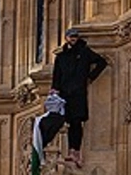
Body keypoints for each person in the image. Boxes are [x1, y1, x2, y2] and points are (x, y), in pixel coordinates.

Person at [44, 26, 108, 166]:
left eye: (75, 36)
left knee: (76, 122)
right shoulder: (61, 57)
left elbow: (102, 62)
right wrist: (54, 89)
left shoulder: (84, 52)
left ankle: (75, 152)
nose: (73, 38)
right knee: (64, 122)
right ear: (66, 38)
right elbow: (57, 75)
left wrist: (90, 77)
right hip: (65, 94)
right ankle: (65, 150)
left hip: (78, 93)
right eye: (71, 36)